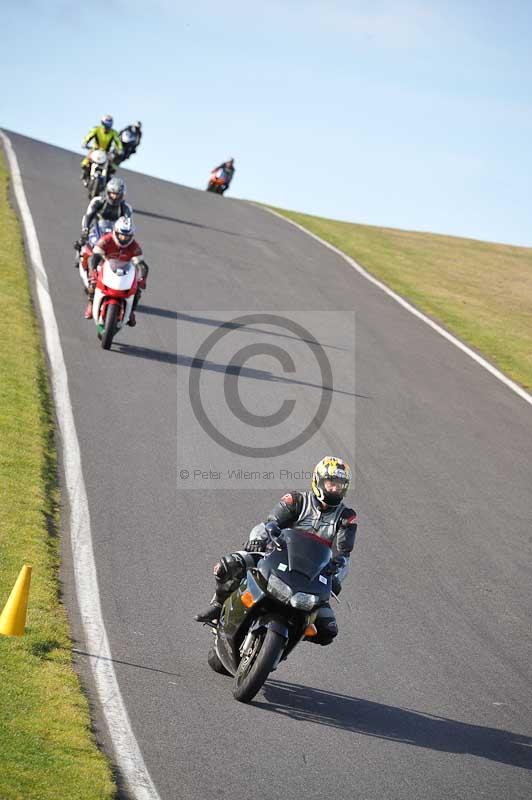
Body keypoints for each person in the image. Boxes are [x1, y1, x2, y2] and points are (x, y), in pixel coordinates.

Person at [195, 457, 358, 646]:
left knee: (328, 630)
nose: (335, 489)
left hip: (312, 575)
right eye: (331, 483)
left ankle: (290, 635)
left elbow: (343, 554)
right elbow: (270, 523)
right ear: (318, 480)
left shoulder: (347, 517)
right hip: (276, 556)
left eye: (340, 485)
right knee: (227, 565)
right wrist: (256, 541)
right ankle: (217, 606)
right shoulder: (296, 500)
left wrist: (335, 577)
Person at [84, 216, 149, 327]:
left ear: (131, 236)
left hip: (124, 270)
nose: (123, 238)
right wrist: (92, 270)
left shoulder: (134, 246)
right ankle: (90, 303)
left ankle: (131, 311)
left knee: (137, 290)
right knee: (93, 283)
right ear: (115, 232)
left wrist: (142, 278)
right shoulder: (106, 240)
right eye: (121, 235)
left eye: (126, 236)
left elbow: (142, 265)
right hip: (105, 265)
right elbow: (94, 257)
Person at [74, 178, 132, 268]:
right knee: (86, 237)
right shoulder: (98, 201)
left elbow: (128, 224)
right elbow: (89, 216)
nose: (114, 197)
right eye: (112, 194)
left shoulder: (126, 208)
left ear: (122, 195)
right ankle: (80, 253)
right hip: (97, 227)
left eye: (117, 194)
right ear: (108, 192)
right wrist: (86, 229)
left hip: (114, 232)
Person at [80, 114, 123, 184]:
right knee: (85, 163)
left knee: (112, 167)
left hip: (106, 152)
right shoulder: (96, 129)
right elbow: (89, 136)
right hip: (95, 149)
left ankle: (107, 181)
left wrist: (120, 149)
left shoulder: (113, 133)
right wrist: (85, 143)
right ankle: (84, 176)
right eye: (105, 125)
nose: (106, 128)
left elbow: (118, 142)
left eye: (108, 126)